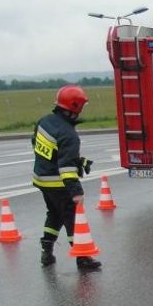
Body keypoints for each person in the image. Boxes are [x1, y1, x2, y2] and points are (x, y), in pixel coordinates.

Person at [32, 85, 101, 270]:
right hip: (58, 184)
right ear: (75, 106)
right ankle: (83, 258)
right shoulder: (69, 134)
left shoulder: (44, 121)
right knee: (72, 219)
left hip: (41, 179)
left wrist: (78, 160)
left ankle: (46, 252)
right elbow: (67, 169)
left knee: (54, 214)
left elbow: (44, 149)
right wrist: (76, 192)